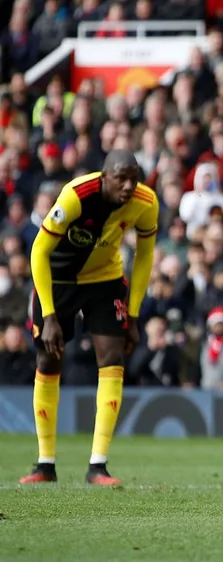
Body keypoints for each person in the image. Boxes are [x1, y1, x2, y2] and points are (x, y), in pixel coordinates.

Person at [20, 150, 159, 485]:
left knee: (112, 358)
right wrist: (50, 316)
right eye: (120, 178)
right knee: (49, 360)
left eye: (134, 178)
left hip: (104, 280)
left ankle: (98, 465)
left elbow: (144, 257)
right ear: (104, 176)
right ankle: (45, 463)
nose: (128, 186)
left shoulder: (146, 201)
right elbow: (38, 251)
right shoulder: (76, 196)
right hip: (58, 280)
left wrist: (135, 315)